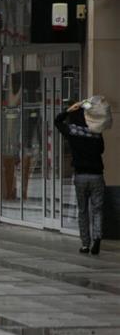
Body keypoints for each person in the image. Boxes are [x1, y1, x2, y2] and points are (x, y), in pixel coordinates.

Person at [55, 101, 105, 255]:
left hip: (81, 176)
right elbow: (102, 149)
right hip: (97, 176)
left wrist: (68, 110)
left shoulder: (72, 131)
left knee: (83, 211)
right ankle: (97, 237)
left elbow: (58, 122)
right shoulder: (96, 132)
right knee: (97, 210)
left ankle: (85, 244)